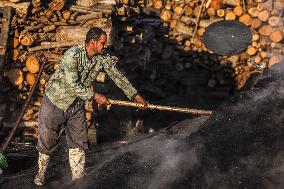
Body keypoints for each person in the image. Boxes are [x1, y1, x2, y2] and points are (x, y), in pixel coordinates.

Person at [34, 27, 148, 186]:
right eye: (102, 43)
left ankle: (77, 180)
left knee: (78, 142)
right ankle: (40, 174)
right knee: (48, 140)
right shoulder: (72, 55)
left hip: (76, 104)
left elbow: (117, 76)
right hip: (55, 101)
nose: (105, 45)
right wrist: (95, 96)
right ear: (92, 42)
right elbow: (72, 85)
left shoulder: (103, 57)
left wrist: (135, 95)